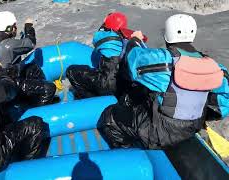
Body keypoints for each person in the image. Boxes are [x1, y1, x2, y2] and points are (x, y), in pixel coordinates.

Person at [97, 14, 229, 149]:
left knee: (110, 117)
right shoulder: (216, 67)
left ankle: (128, 153)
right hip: (192, 127)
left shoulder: (163, 60)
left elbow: (132, 61)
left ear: (167, 35)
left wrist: (135, 40)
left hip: (160, 132)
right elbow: (223, 106)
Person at [0, 11, 56, 106]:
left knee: (32, 68)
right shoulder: (8, 44)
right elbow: (30, 43)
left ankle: (30, 97)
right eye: (14, 25)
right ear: (9, 28)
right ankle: (38, 109)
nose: (16, 27)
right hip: (10, 85)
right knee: (50, 88)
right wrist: (28, 26)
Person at [66, 12, 147, 99]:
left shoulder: (107, 37)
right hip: (124, 86)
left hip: (107, 84)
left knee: (71, 71)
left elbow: (96, 39)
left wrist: (105, 23)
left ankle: (89, 99)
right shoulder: (129, 41)